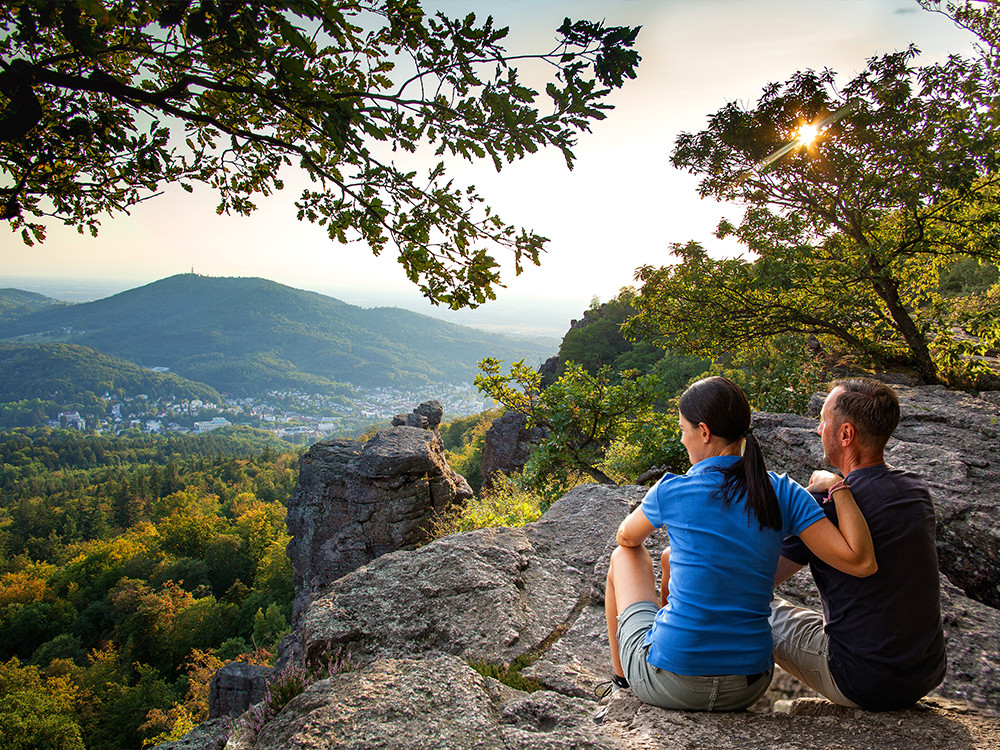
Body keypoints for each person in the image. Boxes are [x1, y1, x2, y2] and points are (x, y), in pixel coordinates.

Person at [598, 376, 877, 719]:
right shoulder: (784, 491)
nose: (681, 437)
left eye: (682, 428)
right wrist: (838, 486)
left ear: (704, 432)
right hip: (747, 685)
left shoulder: (672, 489)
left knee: (624, 557)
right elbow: (860, 561)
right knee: (671, 558)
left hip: (671, 682)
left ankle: (621, 684)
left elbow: (626, 538)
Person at [770, 378, 946, 710]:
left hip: (861, 679)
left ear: (846, 435)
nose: (818, 428)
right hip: (925, 671)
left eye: (823, 420)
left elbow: (759, 581)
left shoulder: (823, 501)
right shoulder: (914, 489)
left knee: (748, 606)